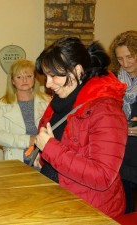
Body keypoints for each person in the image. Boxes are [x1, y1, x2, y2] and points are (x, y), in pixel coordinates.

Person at [34, 37, 127, 218]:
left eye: (54, 76)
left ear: (77, 70)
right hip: (59, 203)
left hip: (90, 211)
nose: (47, 84)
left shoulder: (105, 110)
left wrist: (50, 148)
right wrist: (44, 157)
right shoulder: (61, 102)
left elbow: (102, 176)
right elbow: (67, 147)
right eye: (46, 76)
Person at [0, 59, 49, 164]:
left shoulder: (47, 101)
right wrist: (29, 140)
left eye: (29, 76)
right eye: (19, 77)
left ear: (35, 78)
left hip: (43, 160)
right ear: (13, 81)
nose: (24, 80)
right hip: (16, 160)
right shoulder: (3, 104)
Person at [109, 30, 137, 213]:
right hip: (122, 155)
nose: (125, 64)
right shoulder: (113, 80)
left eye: (130, 57)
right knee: (124, 211)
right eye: (120, 59)